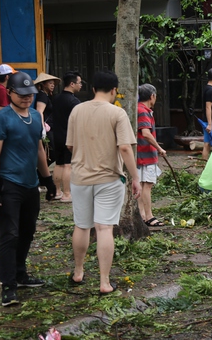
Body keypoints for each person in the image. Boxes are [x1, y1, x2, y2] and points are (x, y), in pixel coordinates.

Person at [0, 71, 57, 306]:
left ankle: (20, 273)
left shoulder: (36, 117)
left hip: (30, 185)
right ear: (9, 93)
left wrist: (47, 179)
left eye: (30, 94)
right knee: (9, 234)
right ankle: (8, 285)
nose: (27, 98)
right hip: (9, 184)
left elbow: (38, 150)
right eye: (22, 94)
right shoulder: (2, 118)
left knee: (27, 231)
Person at [66, 70, 141, 295]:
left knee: (81, 225)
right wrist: (135, 177)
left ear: (92, 89)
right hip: (108, 178)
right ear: (114, 90)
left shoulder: (76, 110)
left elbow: (70, 146)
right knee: (104, 228)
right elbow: (125, 147)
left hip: (79, 178)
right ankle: (104, 282)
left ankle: (78, 272)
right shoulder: (116, 113)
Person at [137, 84, 167, 227]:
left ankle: (142, 214)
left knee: (141, 185)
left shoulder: (140, 109)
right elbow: (146, 133)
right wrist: (160, 148)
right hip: (145, 154)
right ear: (152, 96)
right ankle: (149, 216)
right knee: (147, 185)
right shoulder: (143, 111)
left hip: (141, 154)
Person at [51, 71, 82, 203]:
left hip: (56, 135)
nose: (81, 85)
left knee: (58, 164)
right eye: (79, 83)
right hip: (69, 136)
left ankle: (57, 192)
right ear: (72, 84)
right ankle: (67, 194)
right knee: (68, 165)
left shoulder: (56, 98)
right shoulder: (74, 101)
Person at [33, 73, 61, 171]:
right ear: (44, 84)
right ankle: (40, 174)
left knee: (50, 154)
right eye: (50, 83)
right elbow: (39, 111)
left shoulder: (46, 96)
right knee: (51, 153)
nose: (52, 85)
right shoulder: (42, 96)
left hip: (50, 127)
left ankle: (41, 176)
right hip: (46, 128)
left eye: (53, 83)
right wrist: (42, 128)